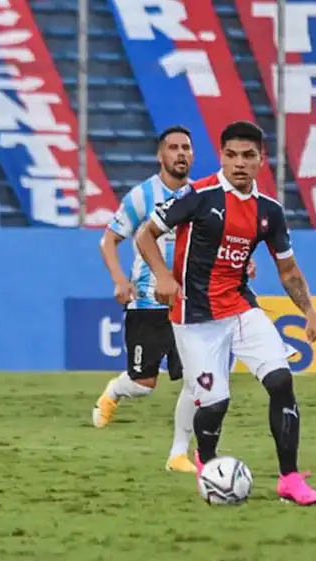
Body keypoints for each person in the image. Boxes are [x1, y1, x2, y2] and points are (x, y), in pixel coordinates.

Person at [136, 120, 316, 506]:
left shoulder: (269, 211)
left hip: (241, 309)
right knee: (215, 404)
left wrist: (311, 312)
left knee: (280, 381)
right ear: (221, 156)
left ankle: (290, 479)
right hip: (195, 318)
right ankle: (207, 464)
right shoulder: (198, 196)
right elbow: (146, 235)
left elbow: (288, 270)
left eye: (248, 155)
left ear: (261, 160)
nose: (239, 163)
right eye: (231, 155)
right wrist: (163, 276)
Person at [94, 125, 205, 474]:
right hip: (146, 303)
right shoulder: (141, 196)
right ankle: (114, 391)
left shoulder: (200, 196)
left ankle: (179, 454)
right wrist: (119, 280)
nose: (181, 153)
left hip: (187, 305)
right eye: (173, 148)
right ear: (160, 155)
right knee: (143, 385)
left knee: (197, 381)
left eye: (186, 148)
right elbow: (108, 241)